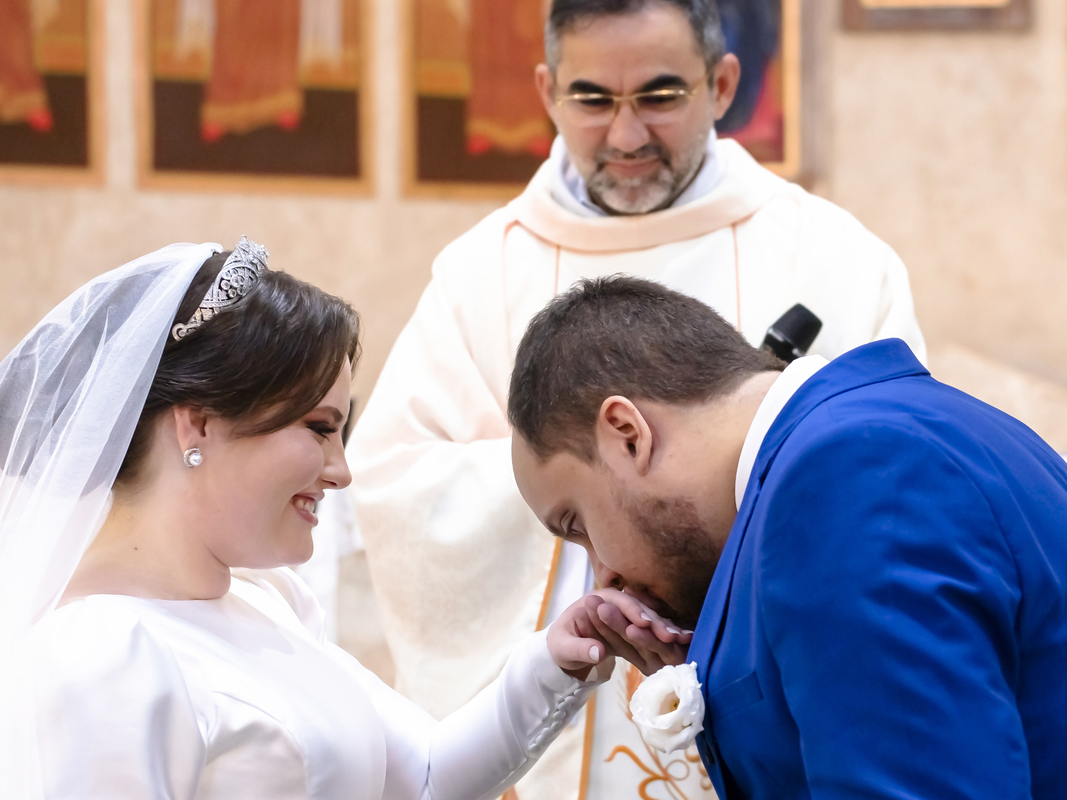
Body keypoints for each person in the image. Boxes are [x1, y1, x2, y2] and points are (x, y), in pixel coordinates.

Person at [348, 0, 925, 796]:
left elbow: (893, 477)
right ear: (548, 91)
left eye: (659, 97)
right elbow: (396, 478)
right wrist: (603, 505)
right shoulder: (481, 274)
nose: (625, 136)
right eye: (592, 99)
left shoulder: (833, 258)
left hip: (774, 690)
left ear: (722, 85)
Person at [0, 239, 685, 800]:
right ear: (197, 424)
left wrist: (561, 655)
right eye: (319, 429)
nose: (342, 470)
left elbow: (427, 778)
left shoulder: (262, 604)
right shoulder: (98, 659)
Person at [507, 276, 1067, 800]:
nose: (603, 575)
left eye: (576, 524)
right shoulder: (880, 430)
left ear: (627, 435)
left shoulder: (846, 474)